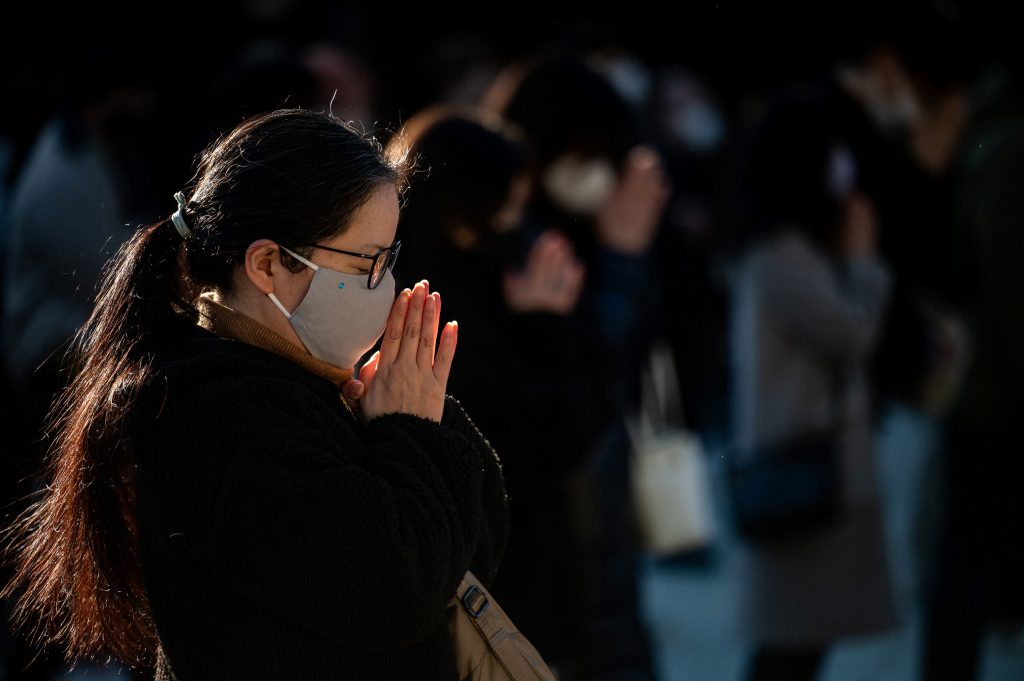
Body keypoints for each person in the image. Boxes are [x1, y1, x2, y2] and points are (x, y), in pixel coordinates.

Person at [0, 108, 510, 680]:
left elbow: (473, 553)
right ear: (268, 264)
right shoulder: (216, 417)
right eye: (367, 262)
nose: (385, 284)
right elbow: (397, 596)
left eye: (389, 257)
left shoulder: (309, 383)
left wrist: (412, 422)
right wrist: (410, 432)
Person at [387, 106, 592, 677]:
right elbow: (552, 435)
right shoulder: (447, 304)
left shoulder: (435, 276)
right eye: (505, 203)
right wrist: (544, 323)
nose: (515, 218)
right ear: (466, 203)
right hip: (498, 569)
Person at [726, 93, 898, 681]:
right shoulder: (783, 254)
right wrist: (865, 259)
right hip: (799, 471)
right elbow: (852, 334)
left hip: (801, 464)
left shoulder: (776, 249)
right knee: (791, 648)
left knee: (797, 644)